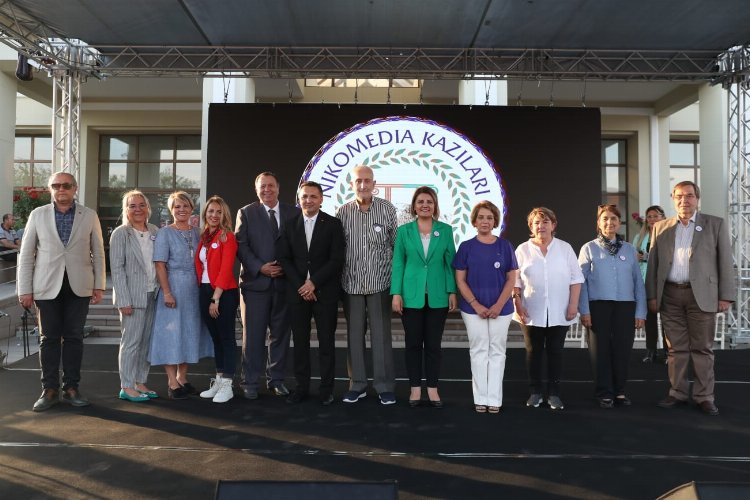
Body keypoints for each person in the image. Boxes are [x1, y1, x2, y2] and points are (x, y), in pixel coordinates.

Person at [17, 172, 105, 411]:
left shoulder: (89, 215)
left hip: (79, 285)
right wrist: (24, 289)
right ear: (50, 189)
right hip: (45, 286)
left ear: (75, 188)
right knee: (49, 339)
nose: (61, 189)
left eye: (66, 185)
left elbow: (98, 252)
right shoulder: (38, 215)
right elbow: (26, 254)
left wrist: (99, 284)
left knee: (75, 337)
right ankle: (49, 389)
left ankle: (72, 388)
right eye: (56, 185)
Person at [646, 181, 735, 416]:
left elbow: (726, 261)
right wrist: (652, 296)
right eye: (679, 196)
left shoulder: (714, 224)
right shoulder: (661, 227)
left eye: (689, 196)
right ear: (673, 199)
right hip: (670, 295)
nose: (684, 201)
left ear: (697, 199)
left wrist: (726, 296)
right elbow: (653, 264)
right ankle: (677, 392)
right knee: (675, 349)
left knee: (702, 349)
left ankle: (705, 396)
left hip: (703, 296)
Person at [277, 181, 345, 405]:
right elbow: (284, 259)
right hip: (298, 293)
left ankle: (326, 389)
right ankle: (301, 387)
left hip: (324, 292)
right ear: (299, 199)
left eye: (313, 196)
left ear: (321, 199)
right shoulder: (289, 224)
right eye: (304, 196)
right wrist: (302, 286)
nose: (308, 200)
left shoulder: (333, 224)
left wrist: (313, 283)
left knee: (326, 342)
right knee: (301, 343)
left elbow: (336, 260)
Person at [391, 186, 457, 408]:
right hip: (411, 297)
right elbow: (398, 263)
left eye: (429, 201)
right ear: (414, 206)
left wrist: (452, 291)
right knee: (412, 344)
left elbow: (450, 264)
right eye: (420, 201)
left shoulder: (445, 230)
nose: (425, 205)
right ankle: (415, 389)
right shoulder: (404, 231)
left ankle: (432, 389)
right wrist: (396, 293)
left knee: (433, 346)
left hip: (438, 297)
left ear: (435, 205)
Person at [336, 165, 397, 405]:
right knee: (353, 336)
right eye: (358, 181)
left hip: (380, 284)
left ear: (374, 183)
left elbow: (395, 247)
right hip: (351, 285)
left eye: (367, 180)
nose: (363, 185)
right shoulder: (343, 212)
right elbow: (339, 249)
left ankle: (384, 386)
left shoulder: (387, 210)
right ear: (351, 184)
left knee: (381, 337)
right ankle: (357, 385)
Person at [235, 172, 300, 400]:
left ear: (278, 188)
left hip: (284, 285)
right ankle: (250, 381)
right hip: (255, 285)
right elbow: (241, 246)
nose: (267, 190)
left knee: (280, 335)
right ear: (256, 189)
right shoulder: (246, 213)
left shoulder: (295, 212)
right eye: (262, 186)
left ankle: (277, 380)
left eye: (271, 186)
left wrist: (287, 268)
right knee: (252, 336)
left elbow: (299, 246)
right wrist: (260, 267)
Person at [513, 207, 583, 411]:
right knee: (533, 352)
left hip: (560, 310)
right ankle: (535, 392)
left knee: (555, 352)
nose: (541, 226)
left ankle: (554, 394)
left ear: (554, 225)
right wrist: (517, 302)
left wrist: (572, 304)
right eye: (536, 222)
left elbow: (576, 278)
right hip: (530, 310)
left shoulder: (565, 248)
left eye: (545, 222)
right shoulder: (522, 250)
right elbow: (514, 280)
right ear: (530, 226)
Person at [578, 204, 646, 408]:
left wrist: (640, 312)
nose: (610, 223)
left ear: (619, 222)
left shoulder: (629, 249)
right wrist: (584, 310)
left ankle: (620, 391)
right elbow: (580, 283)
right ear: (598, 223)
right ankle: (604, 392)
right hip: (598, 307)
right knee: (600, 351)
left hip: (625, 307)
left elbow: (638, 283)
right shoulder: (588, 248)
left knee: (622, 350)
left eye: (614, 219)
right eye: (605, 219)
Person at [453, 201, 517, 414]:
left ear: (495, 221)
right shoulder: (466, 247)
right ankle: (480, 398)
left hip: (502, 309)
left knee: (497, 352)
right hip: (473, 310)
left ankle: (494, 400)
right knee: (479, 351)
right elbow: (460, 280)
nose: (485, 221)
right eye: (481, 217)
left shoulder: (505, 246)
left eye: (489, 217)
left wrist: (498, 305)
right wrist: (476, 304)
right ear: (474, 220)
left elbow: (511, 279)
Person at [149, 191, 213, 400]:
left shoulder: (198, 232)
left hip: (194, 290)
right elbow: (160, 264)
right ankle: (171, 382)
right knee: (171, 334)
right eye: (177, 206)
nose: (181, 210)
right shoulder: (164, 233)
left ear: (192, 208)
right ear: (171, 209)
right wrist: (167, 292)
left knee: (188, 333)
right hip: (173, 287)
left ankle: (183, 377)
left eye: (185, 206)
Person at [109, 190, 160, 402]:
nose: (137, 209)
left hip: (153, 294)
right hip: (132, 297)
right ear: (126, 210)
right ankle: (127, 386)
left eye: (141, 205)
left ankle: (140, 381)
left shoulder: (155, 230)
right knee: (131, 343)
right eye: (132, 206)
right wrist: (123, 299)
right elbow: (117, 269)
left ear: (148, 208)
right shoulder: (121, 233)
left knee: (146, 342)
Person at [195, 196, 240, 404]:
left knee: (227, 338)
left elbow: (225, 268)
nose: (214, 215)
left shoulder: (226, 237)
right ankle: (220, 379)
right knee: (216, 338)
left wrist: (216, 298)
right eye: (211, 211)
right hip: (205, 291)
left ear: (224, 215)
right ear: (205, 214)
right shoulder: (205, 236)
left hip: (222, 293)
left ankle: (228, 385)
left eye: (218, 212)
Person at [633, 205, 667, 363]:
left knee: (667, 320)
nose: (652, 219)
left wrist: (648, 257)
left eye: (656, 216)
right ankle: (651, 351)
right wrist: (637, 258)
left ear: (663, 217)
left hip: (664, 283)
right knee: (650, 320)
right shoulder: (639, 237)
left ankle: (669, 352)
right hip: (644, 282)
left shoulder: (668, 235)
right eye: (649, 216)